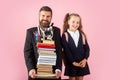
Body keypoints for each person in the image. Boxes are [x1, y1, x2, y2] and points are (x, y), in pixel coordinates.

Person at [24, 6, 62, 80]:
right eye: (43, 15)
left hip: (53, 73)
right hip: (36, 73)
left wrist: (58, 69)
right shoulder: (31, 32)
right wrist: (31, 68)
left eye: (48, 16)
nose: (45, 18)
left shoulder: (57, 31)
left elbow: (59, 51)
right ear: (39, 16)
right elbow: (27, 52)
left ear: (51, 18)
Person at [62, 13, 90, 80]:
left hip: (81, 63)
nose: (75, 24)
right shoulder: (65, 35)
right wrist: (73, 62)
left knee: (80, 78)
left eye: (77, 22)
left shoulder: (82, 35)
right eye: (73, 22)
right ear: (68, 22)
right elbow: (66, 51)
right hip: (71, 63)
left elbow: (87, 49)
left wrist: (85, 59)